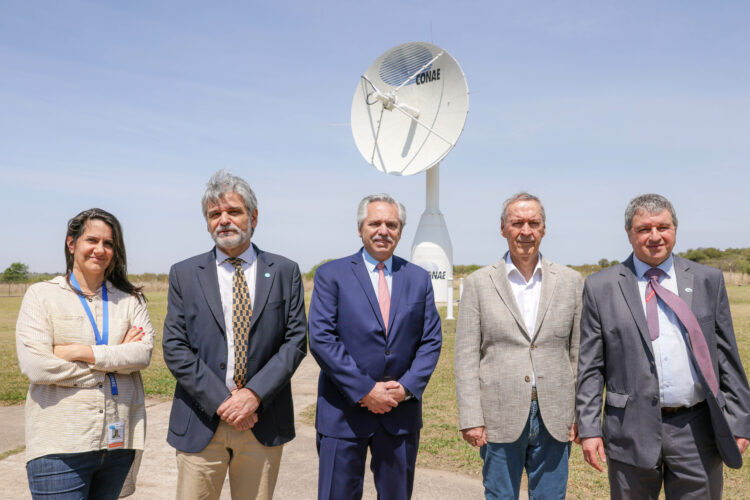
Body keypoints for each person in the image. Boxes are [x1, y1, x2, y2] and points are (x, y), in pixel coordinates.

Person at [576, 193, 750, 499]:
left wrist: (739, 420)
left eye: (663, 227)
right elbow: (591, 366)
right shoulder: (601, 287)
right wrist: (589, 429)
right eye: (644, 229)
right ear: (629, 233)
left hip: (697, 430)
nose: (655, 237)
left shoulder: (708, 280)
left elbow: (726, 356)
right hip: (629, 430)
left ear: (675, 230)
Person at [162, 170, 307, 500]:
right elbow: (175, 346)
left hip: (263, 421)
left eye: (233, 211)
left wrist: (253, 395)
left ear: (254, 216)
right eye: (215, 214)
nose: (223, 220)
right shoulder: (184, 273)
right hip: (202, 422)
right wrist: (224, 402)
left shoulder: (284, 271)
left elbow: (295, 341)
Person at [308, 193, 442, 500]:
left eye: (391, 224)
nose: (383, 230)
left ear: (400, 231)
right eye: (375, 223)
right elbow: (322, 339)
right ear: (360, 229)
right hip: (343, 413)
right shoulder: (332, 275)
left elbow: (431, 340)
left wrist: (406, 387)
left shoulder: (418, 279)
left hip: (400, 413)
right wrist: (365, 390)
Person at [16, 208, 154, 500]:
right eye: (92, 240)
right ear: (71, 244)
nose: (100, 249)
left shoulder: (130, 299)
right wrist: (113, 361)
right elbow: (37, 366)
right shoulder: (41, 295)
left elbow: (142, 354)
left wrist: (80, 352)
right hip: (60, 447)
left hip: (118, 445)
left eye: (109, 243)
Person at [454, 192, 583, 500]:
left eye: (533, 223)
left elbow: (580, 354)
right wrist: (472, 417)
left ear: (543, 229)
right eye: (517, 223)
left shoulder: (571, 282)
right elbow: (466, 356)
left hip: (555, 414)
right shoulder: (478, 283)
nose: (526, 230)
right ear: (503, 229)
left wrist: (579, 414)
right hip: (499, 413)